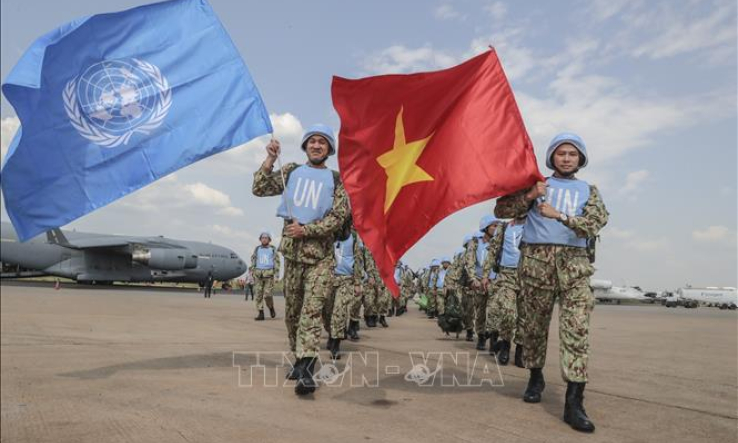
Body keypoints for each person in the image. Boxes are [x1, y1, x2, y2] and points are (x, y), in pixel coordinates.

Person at [494, 132, 608, 432]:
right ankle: (535, 376)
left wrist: (560, 216)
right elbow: (501, 210)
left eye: (572, 154)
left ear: (580, 159)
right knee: (534, 327)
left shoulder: (589, 191)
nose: (567, 158)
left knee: (577, 330)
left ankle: (574, 401)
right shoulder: (535, 185)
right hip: (536, 265)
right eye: (561, 153)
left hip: (575, 267)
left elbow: (594, 223)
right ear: (552, 158)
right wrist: (530, 196)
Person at [252, 124, 350, 396]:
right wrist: (271, 158)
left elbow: (338, 217)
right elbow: (259, 188)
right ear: (305, 146)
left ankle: (307, 371)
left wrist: (307, 230)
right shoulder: (291, 171)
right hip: (293, 256)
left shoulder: (337, 180)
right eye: (312, 141)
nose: (317, 145)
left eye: (323, 142)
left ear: (330, 149)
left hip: (321, 259)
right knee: (293, 314)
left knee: (311, 313)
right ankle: (298, 358)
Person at [482, 216, 526, 366]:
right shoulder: (504, 227)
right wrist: (486, 275)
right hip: (506, 273)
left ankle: (520, 349)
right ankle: (506, 344)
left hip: (528, 274)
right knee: (507, 311)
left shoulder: (535, 223)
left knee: (524, 315)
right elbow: (493, 251)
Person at [324, 221, 364, 359]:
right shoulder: (328, 235)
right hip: (328, 279)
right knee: (327, 313)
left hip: (346, 280)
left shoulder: (353, 238)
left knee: (339, 312)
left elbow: (358, 261)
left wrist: (358, 283)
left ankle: (335, 344)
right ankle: (331, 334)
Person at [464, 216, 502, 350]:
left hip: (495, 282)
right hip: (479, 282)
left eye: (498, 226)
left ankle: (493, 340)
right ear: (486, 228)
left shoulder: (500, 243)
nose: (496, 229)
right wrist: (473, 279)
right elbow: (470, 262)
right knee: (480, 312)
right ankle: (481, 336)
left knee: (495, 311)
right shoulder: (475, 243)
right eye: (494, 226)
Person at [251, 232, 280, 320]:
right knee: (258, 294)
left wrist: (277, 275)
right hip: (258, 275)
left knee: (267, 295)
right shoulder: (257, 249)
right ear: (260, 239)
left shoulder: (272, 249)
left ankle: (271, 308)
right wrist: (253, 270)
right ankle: (261, 313)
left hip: (269, 275)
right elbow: (253, 259)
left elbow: (277, 262)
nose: (264, 239)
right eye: (262, 238)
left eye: (266, 238)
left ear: (269, 240)